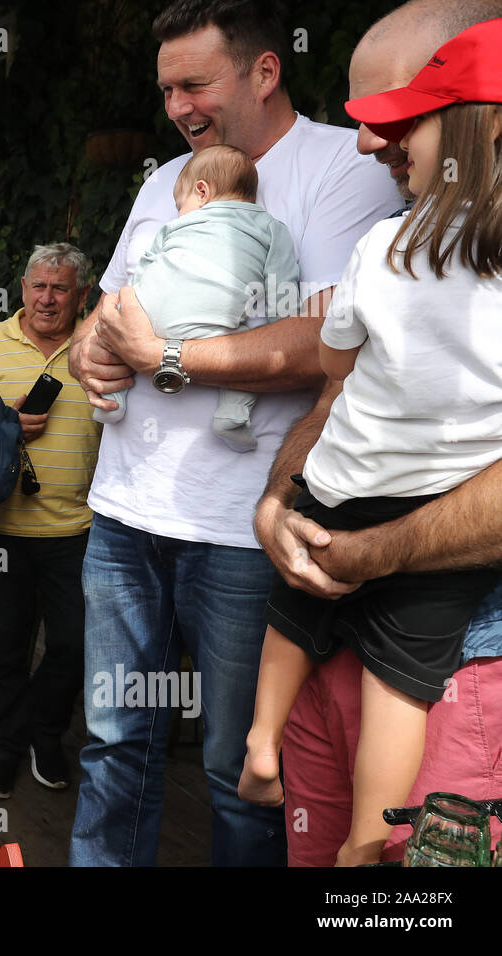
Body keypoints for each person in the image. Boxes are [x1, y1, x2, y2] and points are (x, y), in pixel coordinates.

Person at [65, 0, 402, 867]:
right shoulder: (165, 177)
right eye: (167, 88)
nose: (178, 106)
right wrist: (88, 357)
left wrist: (168, 354)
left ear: (263, 71)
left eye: (195, 84)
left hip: (243, 532)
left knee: (243, 768)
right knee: (111, 747)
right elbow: (105, 312)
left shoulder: (340, 168)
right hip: (124, 515)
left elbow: (328, 344)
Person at [238, 19, 502, 869]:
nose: (366, 141)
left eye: (403, 115)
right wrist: (278, 498)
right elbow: (340, 387)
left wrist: (364, 548)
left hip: (470, 658)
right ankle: (352, 833)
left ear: (482, 123)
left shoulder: (389, 244)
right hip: (367, 606)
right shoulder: (406, 232)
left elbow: (336, 358)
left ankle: (262, 747)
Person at [0, 242, 101, 798]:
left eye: (61, 288)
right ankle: (0, 750)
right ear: (22, 289)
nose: (48, 299)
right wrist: (3, 425)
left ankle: (46, 735)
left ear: (82, 295)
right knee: (2, 648)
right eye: (39, 286)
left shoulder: (100, 344)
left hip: (79, 529)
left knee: (72, 646)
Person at [93, 145, 299, 453]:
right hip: (214, 326)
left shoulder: (173, 227)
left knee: (116, 338)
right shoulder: (271, 228)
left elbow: (148, 265)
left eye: (180, 203)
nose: (179, 213)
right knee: (245, 347)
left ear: (202, 191)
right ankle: (232, 415)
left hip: (148, 319)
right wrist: (282, 323)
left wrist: (131, 303)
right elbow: (282, 283)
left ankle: (113, 400)